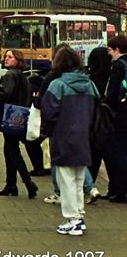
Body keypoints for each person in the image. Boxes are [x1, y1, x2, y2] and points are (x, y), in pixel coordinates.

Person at [40, 47, 98, 235]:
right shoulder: (90, 84)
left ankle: (72, 219)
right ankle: (79, 216)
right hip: (84, 137)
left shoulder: (57, 85)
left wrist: (47, 131)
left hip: (63, 136)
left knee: (66, 180)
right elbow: (97, 109)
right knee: (79, 179)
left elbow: (48, 112)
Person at [0, 49, 37, 198]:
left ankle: (28, 184)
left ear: (17, 60)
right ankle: (11, 184)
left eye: (10, 57)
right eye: (5, 57)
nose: (6, 59)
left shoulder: (9, 75)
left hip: (9, 116)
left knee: (12, 151)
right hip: (20, 115)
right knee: (9, 150)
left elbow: (5, 93)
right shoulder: (23, 76)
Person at [101, 35, 127, 202]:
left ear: (117, 49)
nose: (109, 53)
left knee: (116, 153)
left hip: (119, 115)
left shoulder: (118, 66)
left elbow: (111, 94)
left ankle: (119, 190)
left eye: (110, 50)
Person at [86, 46, 112, 185]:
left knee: (93, 156)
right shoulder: (111, 79)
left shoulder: (91, 81)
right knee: (110, 157)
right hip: (110, 122)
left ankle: (90, 185)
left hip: (93, 123)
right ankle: (113, 188)